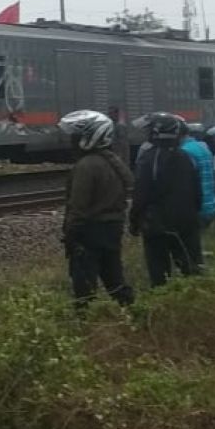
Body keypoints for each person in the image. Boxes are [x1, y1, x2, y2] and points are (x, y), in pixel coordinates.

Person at [58, 110, 134, 307]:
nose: (72, 140)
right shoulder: (114, 162)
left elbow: (78, 206)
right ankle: (132, 315)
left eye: (76, 135)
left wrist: (70, 234)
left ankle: (86, 324)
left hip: (89, 231)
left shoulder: (86, 166)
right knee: (115, 279)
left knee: (84, 286)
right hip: (113, 228)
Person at [130, 113, 201, 287]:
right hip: (187, 224)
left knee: (159, 274)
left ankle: (163, 303)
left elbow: (140, 194)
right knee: (191, 270)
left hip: (157, 226)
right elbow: (197, 193)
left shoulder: (148, 159)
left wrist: (134, 221)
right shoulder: (186, 157)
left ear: (155, 133)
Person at [181, 123, 215, 255]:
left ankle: (196, 263)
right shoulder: (204, 148)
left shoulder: (185, 151)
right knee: (198, 239)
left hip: (197, 206)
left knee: (189, 246)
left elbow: (186, 181)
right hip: (210, 203)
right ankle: (200, 256)